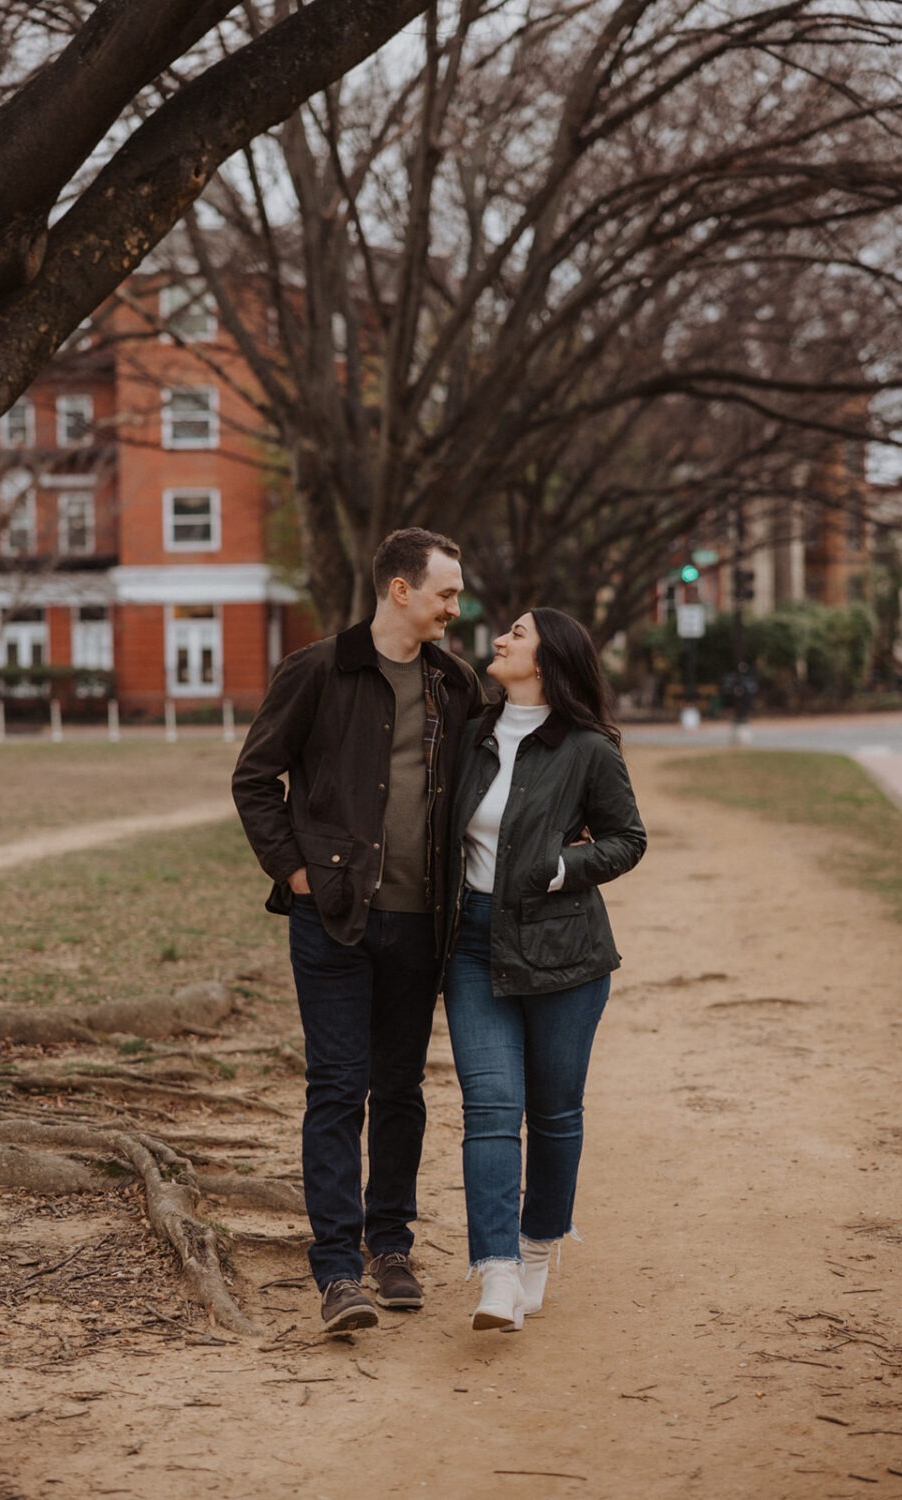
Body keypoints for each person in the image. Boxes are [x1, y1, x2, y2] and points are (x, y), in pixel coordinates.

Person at [232, 528, 486, 1334]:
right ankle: (338, 1270)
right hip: (333, 920)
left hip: (422, 924)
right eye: (446, 593)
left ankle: (392, 1248)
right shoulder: (317, 670)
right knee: (338, 1088)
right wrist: (296, 872)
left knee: (401, 1089)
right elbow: (255, 777)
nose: (456, 607)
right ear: (400, 590)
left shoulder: (455, 682)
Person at [442, 607, 647, 1331]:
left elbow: (627, 838)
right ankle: (496, 1271)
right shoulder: (471, 735)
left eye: (518, 633)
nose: (501, 639)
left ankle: (535, 1249)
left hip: (565, 950)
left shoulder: (588, 748)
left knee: (555, 1113)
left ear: (549, 657)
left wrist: (563, 866)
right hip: (474, 944)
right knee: (491, 1105)